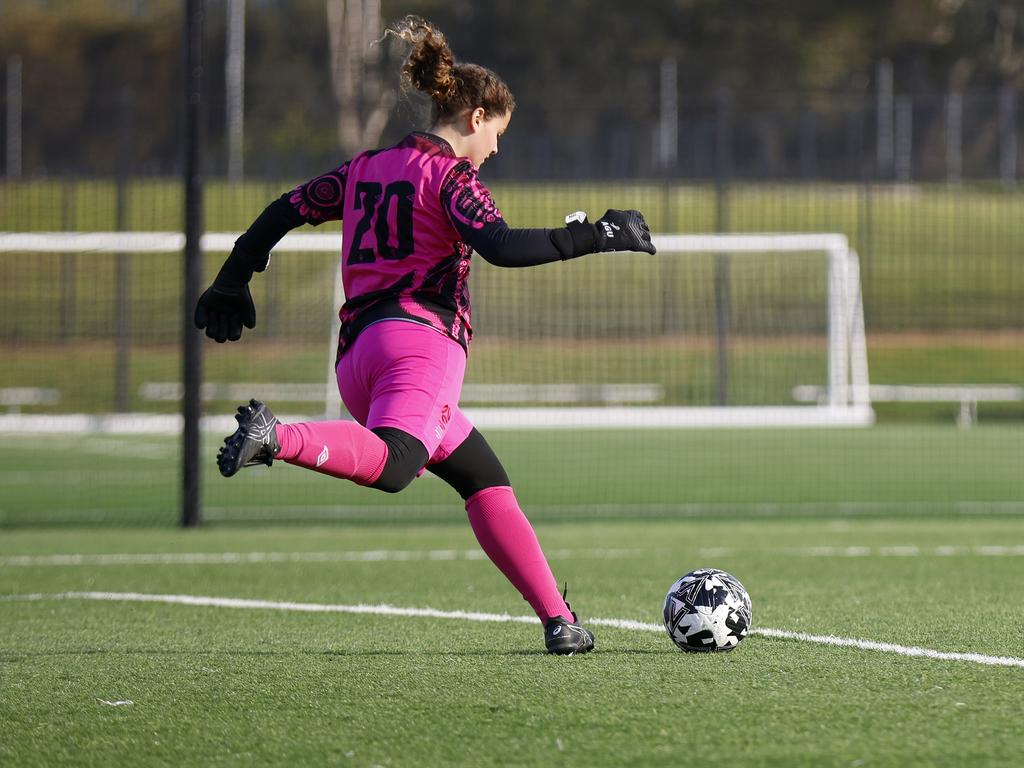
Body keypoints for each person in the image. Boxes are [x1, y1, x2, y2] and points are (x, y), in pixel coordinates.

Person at [194, 16, 655, 655]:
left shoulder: (366, 168)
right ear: (476, 117)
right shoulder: (452, 179)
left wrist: (231, 278)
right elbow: (500, 246)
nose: (495, 150)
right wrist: (594, 235)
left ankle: (560, 620)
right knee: (396, 466)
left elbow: (284, 209)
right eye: (498, 134)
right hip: (420, 342)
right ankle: (277, 437)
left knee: (483, 477)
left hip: (358, 359)